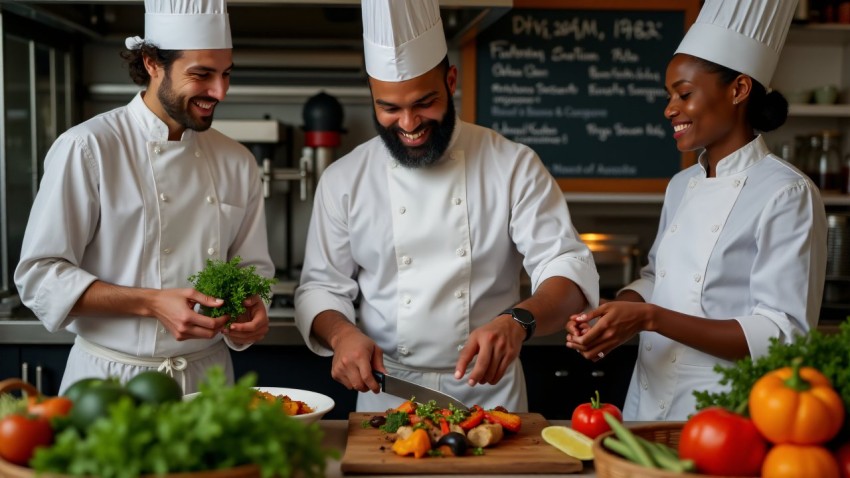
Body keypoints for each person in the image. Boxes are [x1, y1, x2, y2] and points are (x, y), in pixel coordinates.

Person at [294, 0, 599, 413]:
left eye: (423, 102)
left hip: (490, 392)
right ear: (371, 95)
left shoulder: (512, 165)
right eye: (389, 107)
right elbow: (321, 288)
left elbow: (566, 269)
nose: (408, 124)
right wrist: (340, 335)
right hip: (387, 391)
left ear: (451, 80)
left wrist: (518, 322)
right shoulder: (344, 179)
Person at [566, 0, 827, 421]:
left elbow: (781, 335)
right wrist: (613, 314)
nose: (669, 109)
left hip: (726, 411)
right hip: (646, 402)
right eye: (669, 95)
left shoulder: (787, 193)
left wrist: (648, 318)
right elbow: (659, 278)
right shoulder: (682, 185)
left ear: (739, 89)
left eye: (684, 94)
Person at [14, 0, 275, 394]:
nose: (219, 91)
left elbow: (251, 270)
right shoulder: (89, 148)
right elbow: (40, 275)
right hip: (109, 382)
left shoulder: (238, 162)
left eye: (225, 74)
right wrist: (151, 302)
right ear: (152, 63)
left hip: (208, 383)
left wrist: (252, 311)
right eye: (201, 74)